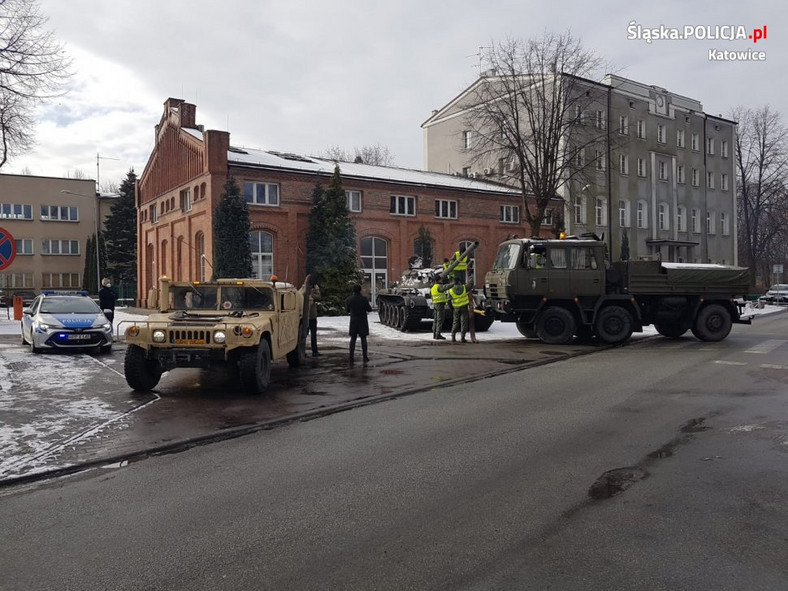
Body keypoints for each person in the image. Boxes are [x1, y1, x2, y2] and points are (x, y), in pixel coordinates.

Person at [441, 275, 474, 343]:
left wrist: (452, 308)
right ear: (459, 281)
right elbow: (470, 285)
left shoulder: (451, 290)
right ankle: (462, 338)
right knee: (463, 323)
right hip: (464, 307)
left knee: (455, 322)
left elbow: (448, 301)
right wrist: (471, 277)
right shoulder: (464, 288)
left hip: (456, 308)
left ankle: (453, 337)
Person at [346, 283, 372, 364]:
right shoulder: (364, 299)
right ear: (360, 290)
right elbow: (369, 309)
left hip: (353, 320)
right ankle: (365, 357)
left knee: (353, 338)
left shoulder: (349, 299)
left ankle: (351, 356)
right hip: (362, 321)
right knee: (363, 338)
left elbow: (347, 310)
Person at [430, 276, 447, 340]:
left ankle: (434, 333)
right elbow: (445, 287)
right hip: (440, 304)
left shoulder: (433, 288)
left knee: (436, 319)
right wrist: (453, 284)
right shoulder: (439, 286)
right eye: (441, 280)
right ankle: (438, 334)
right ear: (439, 280)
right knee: (440, 319)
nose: (441, 281)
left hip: (435, 304)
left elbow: (431, 296)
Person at [308, 283, 321, 357]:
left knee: (313, 335)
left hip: (310, 316)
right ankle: (314, 351)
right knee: (311, 334)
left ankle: (314, 351)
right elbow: (318, 297)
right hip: (310, 316)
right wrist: (316, 290)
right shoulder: (309, 293)